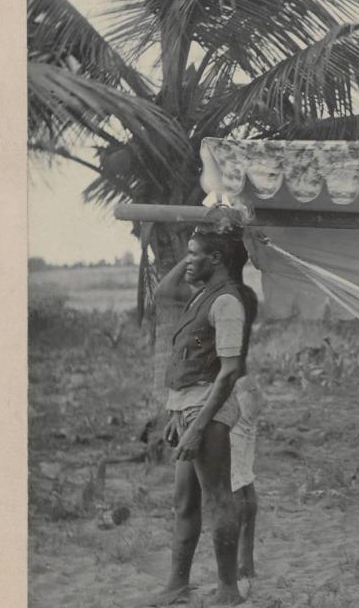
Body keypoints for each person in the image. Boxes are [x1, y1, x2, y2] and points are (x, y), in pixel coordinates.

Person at [142, 228, 253, 606]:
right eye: (186, 254)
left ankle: (228, 592)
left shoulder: (226, 303)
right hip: (189, 407)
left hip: (209, 408)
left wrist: (197, 428)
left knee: (218, 499)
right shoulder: (202, 295)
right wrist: (198, 247)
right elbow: (163, 293)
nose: (187, 261)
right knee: (185, 500)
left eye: (194, 255)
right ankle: (177, 585)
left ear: (218, 259)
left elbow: (229, 372)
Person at [227, 244, 262, 581]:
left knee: (236, 481)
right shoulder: (247, 295)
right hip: (248, 385)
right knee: (245, 477)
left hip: (234, 387)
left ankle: (242, 564)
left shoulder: (225, 299)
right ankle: (246, 561)